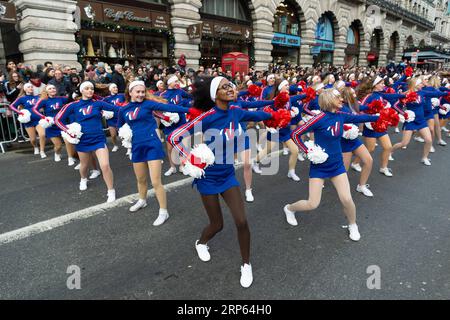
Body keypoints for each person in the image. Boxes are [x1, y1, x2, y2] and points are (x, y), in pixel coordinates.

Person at [169, 76, 276, 288]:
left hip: (227, 175)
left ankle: (246, 265)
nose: (230, 88)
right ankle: (201, 243)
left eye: (230, 85)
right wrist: (188, 158)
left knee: (241, 221)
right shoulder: (207, 117)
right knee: (217, 225)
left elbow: (259, 113)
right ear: (214, 94)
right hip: (207, 177)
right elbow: (174, 137)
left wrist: (279, 114)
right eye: (223, 86)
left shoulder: (236, 111)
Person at [286, 89, 381, 240]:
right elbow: (295, 134)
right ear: (329, 100)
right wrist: (307, 151)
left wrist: (379, 117)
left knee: (347, 199)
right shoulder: (318, 119)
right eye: (337, 97)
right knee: (312, 204)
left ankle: (353, 224)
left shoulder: (341, 115)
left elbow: (359, 118)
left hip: (337, 165)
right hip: (319, 167)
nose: (341, 99)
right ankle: (289, 208)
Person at [117, 81, 191, 225]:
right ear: (130, 92)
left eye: (142, 92)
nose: (140, 94)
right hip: (136, 146)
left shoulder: (148, 104)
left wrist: (190, 111)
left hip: (152, 144)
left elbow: (168, 107)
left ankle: (164, 211)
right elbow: (120, 125)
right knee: (141, 179)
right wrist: (125, 135)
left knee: (156, 181)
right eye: (137, 92)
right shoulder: (123, 110)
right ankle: (142, 200)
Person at [55, 81, 120, 202]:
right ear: (81, 91)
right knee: (84, 165)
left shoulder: (99, 103)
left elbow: (118, 109)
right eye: (87, 88)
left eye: (92, 88)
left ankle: (111, 191)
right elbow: (58, 119)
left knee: (105, 165)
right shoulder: (74, 105)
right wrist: (68, 131)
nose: (90, 90)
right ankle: (83, 179)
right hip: (83, 140)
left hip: (98, 139)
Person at [32, 84, 77, 165]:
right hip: (52, 126)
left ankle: (70, 158)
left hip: (62, 124)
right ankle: (57, 153)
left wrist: (74, 93)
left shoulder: (61, 98)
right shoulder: (44, 100)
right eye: (50, 89)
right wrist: (43, 117)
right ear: (46, 91)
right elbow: (34, 109)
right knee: (58, 145)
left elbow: (71, 99)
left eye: (53, 88)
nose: (52, 89)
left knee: (68, 141)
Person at [8, 83, 45, 156]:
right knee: (33, 139)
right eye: (29, 87)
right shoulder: (21, 98)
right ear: (25, 89)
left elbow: (45, 104)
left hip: (38, 119)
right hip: (28, 121)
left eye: (32, 87)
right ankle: (35, 147)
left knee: (42, 134)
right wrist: (19, 112)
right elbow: (12, 106)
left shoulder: (38, 97)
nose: (31, 88)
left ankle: (42, 151)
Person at [103, 83, 126, 152]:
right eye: (114, 87)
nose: (116, 88)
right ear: (110, 89)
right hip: (111, 119)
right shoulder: (106, 99)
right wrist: (105, 113)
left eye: (116, 87)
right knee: (113, 135)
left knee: (124, 133)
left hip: (121, 118)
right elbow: (102, 106)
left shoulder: (121, 95)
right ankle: (115, 145)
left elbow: (127, 102)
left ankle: (128, 146)